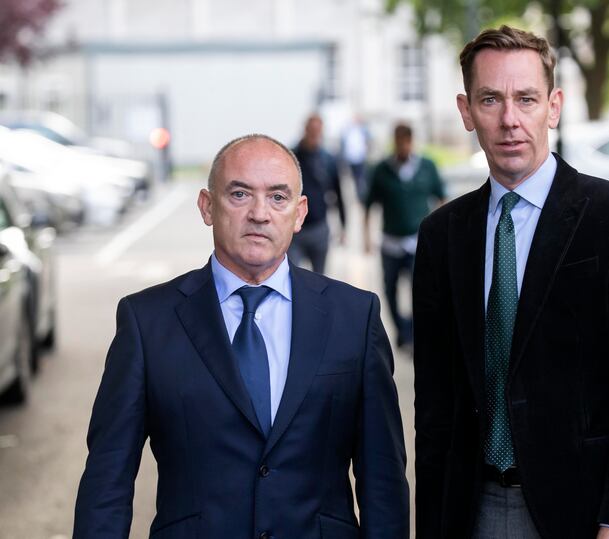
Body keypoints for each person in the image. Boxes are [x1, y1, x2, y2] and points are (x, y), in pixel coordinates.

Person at [413, 26, 609, 539]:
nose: (510, 119)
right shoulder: (442, 237)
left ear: (553, 107)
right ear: (466, 111)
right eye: (490, 99)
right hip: (475, 510)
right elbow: (436, 411)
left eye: (526, 99)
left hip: (588, 515)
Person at [73, 134, 409, 538]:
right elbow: (108, 478)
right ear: (207, 206)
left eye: (278, 198)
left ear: (300, 213)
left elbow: (383, 480)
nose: (260, 213)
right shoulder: (147, 321)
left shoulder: (355, 317)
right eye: (239, 194)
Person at [364, 123, 446, 349]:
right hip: (390, 241)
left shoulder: (426, 167)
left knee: (419, 289)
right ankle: (402, 330)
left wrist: (443, 235)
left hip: (417, 241)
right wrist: (366, 237)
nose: (403, 146)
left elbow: (441, 199)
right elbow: (369, 205)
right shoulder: (381, 170)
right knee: (389, 290)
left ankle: (412, 331)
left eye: (406, 141)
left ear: (411, 141)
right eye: (399, 141)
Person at [288, 114, 346, 274]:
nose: (314, 135)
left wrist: (343, 225)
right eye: (311, 131)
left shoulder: (328, 160)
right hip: (294, 231)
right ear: (305, 130)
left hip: (319, 228)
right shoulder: (290, 157)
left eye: (317, 132)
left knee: (319, 279)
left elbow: (338, 193)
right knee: (293, 277)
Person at [340, 115, 371, 202]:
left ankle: (360, 195)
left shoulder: (362, 130)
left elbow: (368, 141)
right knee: (352, 178)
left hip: (359, 158)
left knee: (359, 178)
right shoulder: (349, 131)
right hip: (351, 158)